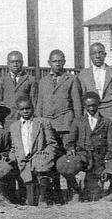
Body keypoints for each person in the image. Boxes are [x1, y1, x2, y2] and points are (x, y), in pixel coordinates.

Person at [36, 49, 82, 199]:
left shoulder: (71, 79)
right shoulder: (43, 81)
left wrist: (77, 125)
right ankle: (56, 193)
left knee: (67, 158)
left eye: (60, 61)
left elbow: (77, 105)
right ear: (49, 63)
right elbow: (39, 105)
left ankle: (73, 190)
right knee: (51, 158)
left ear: (64, 62)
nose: (57, 64)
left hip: (66, 125)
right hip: (48, 127)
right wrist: (39, 125)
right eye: (54, 61)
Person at [3, 95, 58, 206]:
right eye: (22, 109)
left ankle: (43, 196)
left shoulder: (43, 122)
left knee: (42, 178)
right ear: (18, 110)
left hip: (40, 159)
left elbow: (52, 144)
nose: (25, 111)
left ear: (32, 108)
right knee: (31, 202)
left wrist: (45, 156)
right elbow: (14, 147)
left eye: (27, 108)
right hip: (24, 162)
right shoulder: (14, 127)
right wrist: (11, 158)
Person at [67, 91, 112, 201]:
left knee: (94, 196)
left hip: (99, 158)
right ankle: (75, 189)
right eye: (88, 106)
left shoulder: (106, 122)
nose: (91, 108)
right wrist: (71, 150)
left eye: (94, 105)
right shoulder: (78, 121)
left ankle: (101, 186)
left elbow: (110, 144)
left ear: (98, 104)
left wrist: (107, 159)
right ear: (84, 106)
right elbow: (70, 142)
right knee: (65, 165)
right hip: (83, 156)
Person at [79, 42, 112, 122]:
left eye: (100, 53)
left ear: (105, 55)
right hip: (91, 115)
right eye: (94, 53)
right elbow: (82, 98)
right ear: (90, 56)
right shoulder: (83, 74)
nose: (97, 56)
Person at [0, 51, 38, 123]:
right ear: (8, 63)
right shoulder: (1, 80)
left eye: (18, 61)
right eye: (12, 62)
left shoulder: (30, 79)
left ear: (22, 62)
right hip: (7, 118)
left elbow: (34, 101)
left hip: (25, 118)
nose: (15, 64)